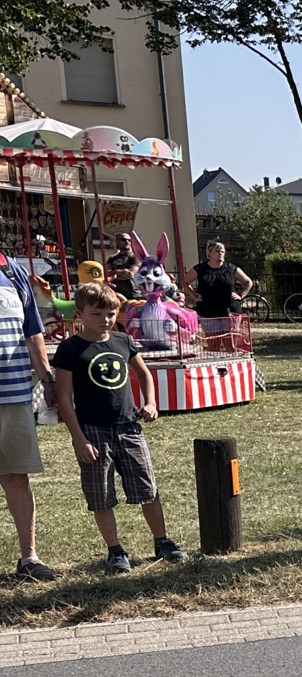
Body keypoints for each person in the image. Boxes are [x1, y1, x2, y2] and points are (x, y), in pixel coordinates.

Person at [50, 283, 185, 574]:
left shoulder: (123, 341)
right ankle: (115, 550)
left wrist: (150, 403)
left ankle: (162, 541)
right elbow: (64, 397)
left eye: (111, 313)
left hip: (129, 427)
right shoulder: (70, 348)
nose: (105, 319)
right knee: (101, 494)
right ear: (80, 314)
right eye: (96, 314)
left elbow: (144, 373)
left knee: (147, 488)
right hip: (93, 430)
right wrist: (78, 438)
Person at [0, 253, 57, 580]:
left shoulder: (13, 271)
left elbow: (33, 331)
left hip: (14, 396)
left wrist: (48, 380)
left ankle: (29, 560)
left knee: (16, 477)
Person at [184, 240, 253, 341]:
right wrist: (194, 296)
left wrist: (241, 295)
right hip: (208, 313)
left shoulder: (232, 268)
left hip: (230, 312)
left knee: (230, 344)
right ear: (209, 253)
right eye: (217, 251)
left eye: (222, 251)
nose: (220, 253)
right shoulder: (200, 269)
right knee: (213, 344)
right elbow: (185, 283)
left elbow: (248, 282)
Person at [104, 232, 138, 301]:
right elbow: (105, 274)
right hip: (116, 296)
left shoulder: (134, 257)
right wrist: (121, 272)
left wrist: (113, 274)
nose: (127, 242)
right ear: (117, 241)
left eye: (129, 240)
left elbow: (130, 275)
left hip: (132, 296)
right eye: (123, 240)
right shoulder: (112, 258)